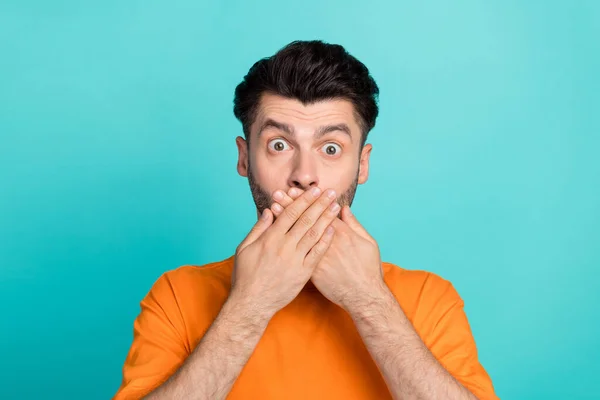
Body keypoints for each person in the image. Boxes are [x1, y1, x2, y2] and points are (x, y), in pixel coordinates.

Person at [114, 40, 498, 400]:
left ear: (361, 165)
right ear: (245, 158)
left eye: (330, 148)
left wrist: (368, 301)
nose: (304, 174)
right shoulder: (178, 297)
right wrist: (250, 305)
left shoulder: (429, 299)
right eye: (279, 145)